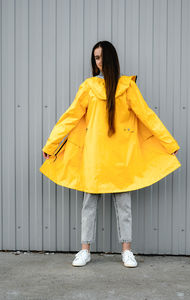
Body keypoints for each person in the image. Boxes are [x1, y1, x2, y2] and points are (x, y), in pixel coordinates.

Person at [41, 41, 181, 268]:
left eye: (103, 56)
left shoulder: (128, 87)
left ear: (112, 58)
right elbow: (70, 117)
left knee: (124, 204)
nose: (99, 61)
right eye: (96, 57)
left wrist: (168, 142)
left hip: (121, 156)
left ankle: (127, 251)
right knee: (89, 203)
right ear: (94, 62)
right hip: (94, 156)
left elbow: (147, 116)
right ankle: (85, 250)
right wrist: (51, 145)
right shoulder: (88, 87)